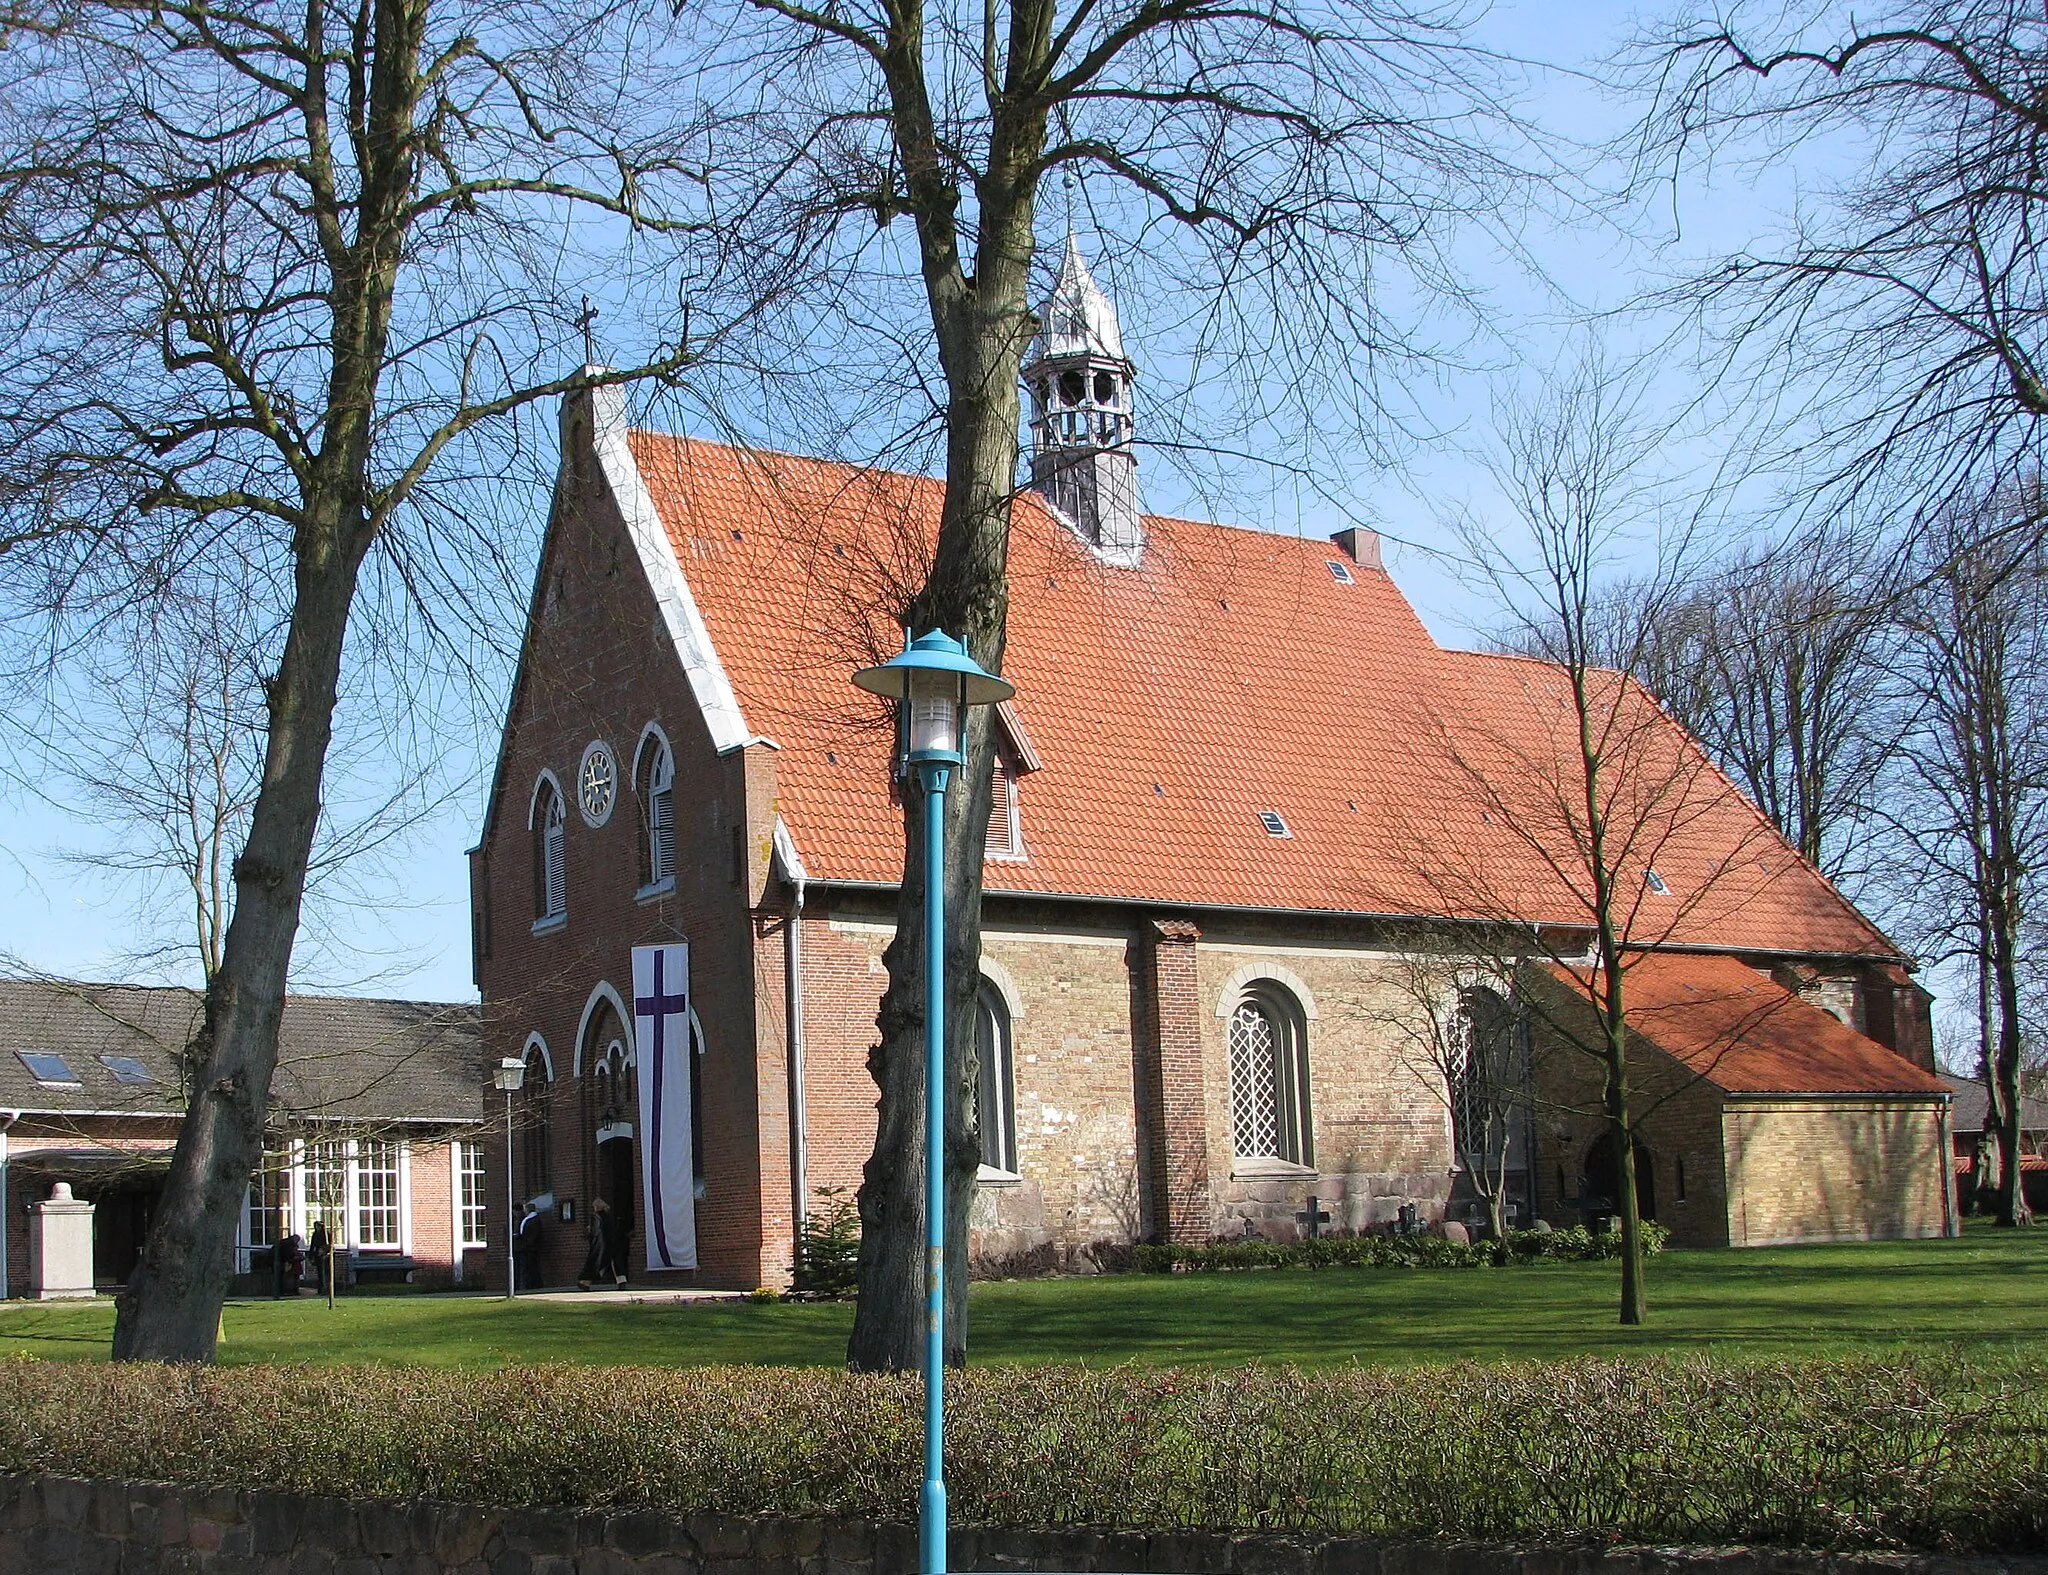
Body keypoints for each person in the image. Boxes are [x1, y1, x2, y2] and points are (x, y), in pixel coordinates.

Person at [577, 1197, 626, 1289]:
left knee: (594, 1262)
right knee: (615, 1261)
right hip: (612, 1241)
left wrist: (589, 1233)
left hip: (600, 1244)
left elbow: (595, 1230)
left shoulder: (595, 1216)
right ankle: (621, 1280)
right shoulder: (609, 1216)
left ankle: (585, 1282)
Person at [513, 1200, 542, 1291]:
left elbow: (533, 1234)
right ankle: (531, 1284)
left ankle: (534, 1284)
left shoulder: (533, 1220)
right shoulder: (529, 1219)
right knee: (528, 1267)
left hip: (530, 1248)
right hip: (526, 1247)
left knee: (531, 1267)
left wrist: (526, 1242)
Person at [307, 1219, 330, 1294]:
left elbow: (329, 1245)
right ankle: (321, 1289)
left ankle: (326, 1288)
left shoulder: (326, 1235)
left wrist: (325, 1251)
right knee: (320, 1272)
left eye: (318, 1226)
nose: (317, 1228)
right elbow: (312, 1245)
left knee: (325, 1272)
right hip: (317, 1255)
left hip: (324, 1256)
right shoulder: (315, 1234)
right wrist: (311, 1256)